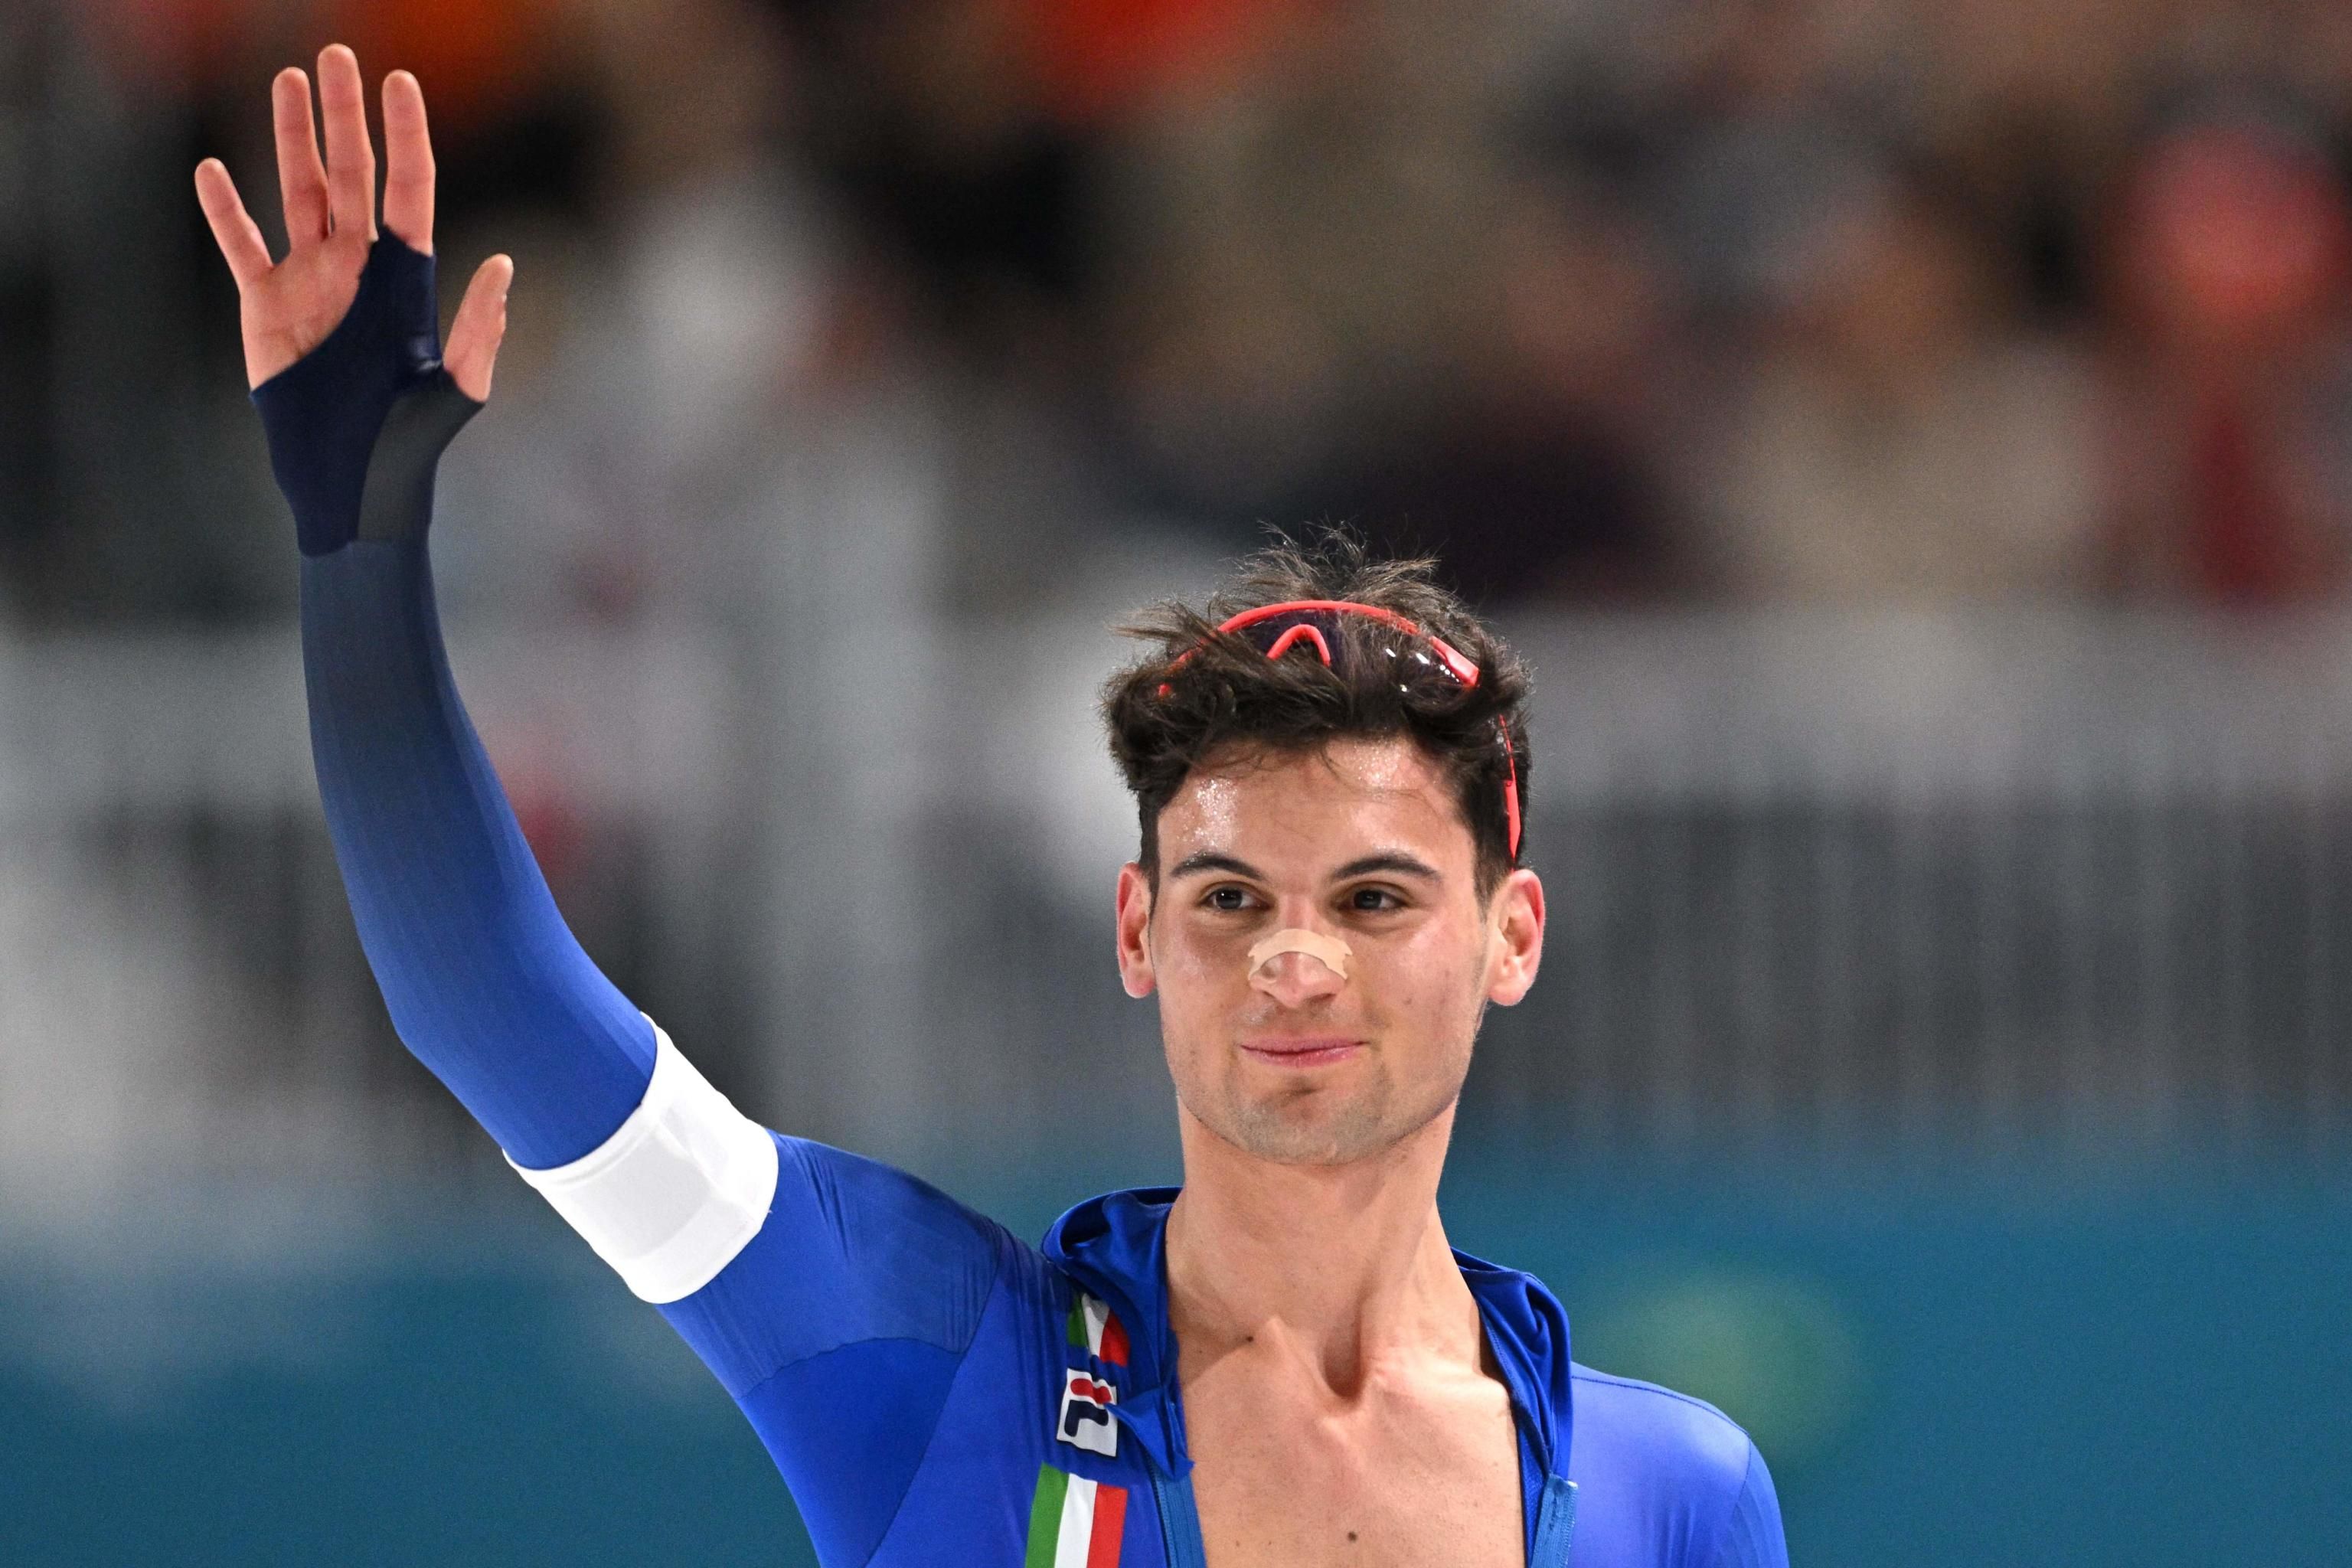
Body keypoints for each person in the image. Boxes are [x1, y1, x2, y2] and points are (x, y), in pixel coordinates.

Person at [194, 46, 1788, 1568]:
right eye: (1232, 897)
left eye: (1373, 897)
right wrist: (361, 549)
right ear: (1138, 929)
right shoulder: (933, 1363)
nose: (1297, 959)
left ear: (1512, 932)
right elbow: (487, 1008)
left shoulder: (1673, 1496)